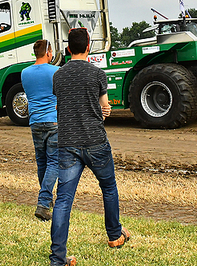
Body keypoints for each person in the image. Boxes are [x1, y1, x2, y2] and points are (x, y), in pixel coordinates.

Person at [49, 28, 129, 266]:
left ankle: (58, 258)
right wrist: (104, 112)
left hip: (68, 144)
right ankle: (115, 235)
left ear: (68, 48)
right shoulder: (97, 74)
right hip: (96, 141)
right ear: (88, 47)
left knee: (63, 199)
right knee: (109, 188)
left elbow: (60, 106)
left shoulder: (58, 76)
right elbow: (104, 107)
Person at [21, 39, 59, 221]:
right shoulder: (56, 71)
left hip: (35, 121)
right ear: (48, 53)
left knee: (42, 161)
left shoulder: (24, 73)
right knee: (54, 162)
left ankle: (47, 199)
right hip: (53, 120)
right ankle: (44, 202)